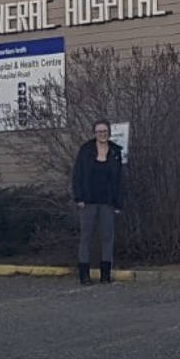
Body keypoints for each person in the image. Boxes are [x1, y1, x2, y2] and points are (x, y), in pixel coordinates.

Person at [72, 120, 124, 284]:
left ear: (109, 132)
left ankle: (106, 275)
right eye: (99, 131)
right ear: (94, 133)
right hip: (88, 201)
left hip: (107, 202)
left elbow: (119, 180)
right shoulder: (86, 150)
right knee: (86, 237)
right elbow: (77, 175)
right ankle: (84, 275)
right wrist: (79, 198)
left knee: (107, 237)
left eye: (105, 131)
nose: (102, 134)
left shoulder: (115, 151)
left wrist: (118, 203)